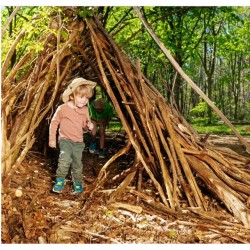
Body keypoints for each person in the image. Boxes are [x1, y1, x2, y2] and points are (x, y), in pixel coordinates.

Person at [49, 77, 96, 194]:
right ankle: (60, 180)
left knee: (77, 163)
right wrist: (52, 139)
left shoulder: (85, 110)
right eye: (81, 97)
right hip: (65, 139)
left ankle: (77, 182)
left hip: (79, 142)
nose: (84, 100)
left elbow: (84, 127)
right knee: (64, 159)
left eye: (87, 98)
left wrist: (88, 127)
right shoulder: (62, 109)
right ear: (71, 96)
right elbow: (54, 123)